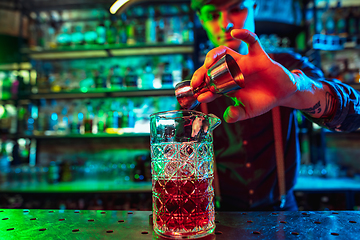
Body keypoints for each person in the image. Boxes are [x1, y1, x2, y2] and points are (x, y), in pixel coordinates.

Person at [189, 0, 360, 211]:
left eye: (236, 9)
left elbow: (354, 114)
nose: (226, 24)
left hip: (282, 212)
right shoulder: (197, 86)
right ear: (201, 19)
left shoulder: (286, 66)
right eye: (213, 15)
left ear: (254, 7)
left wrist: (298, 89)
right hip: (221, 214)